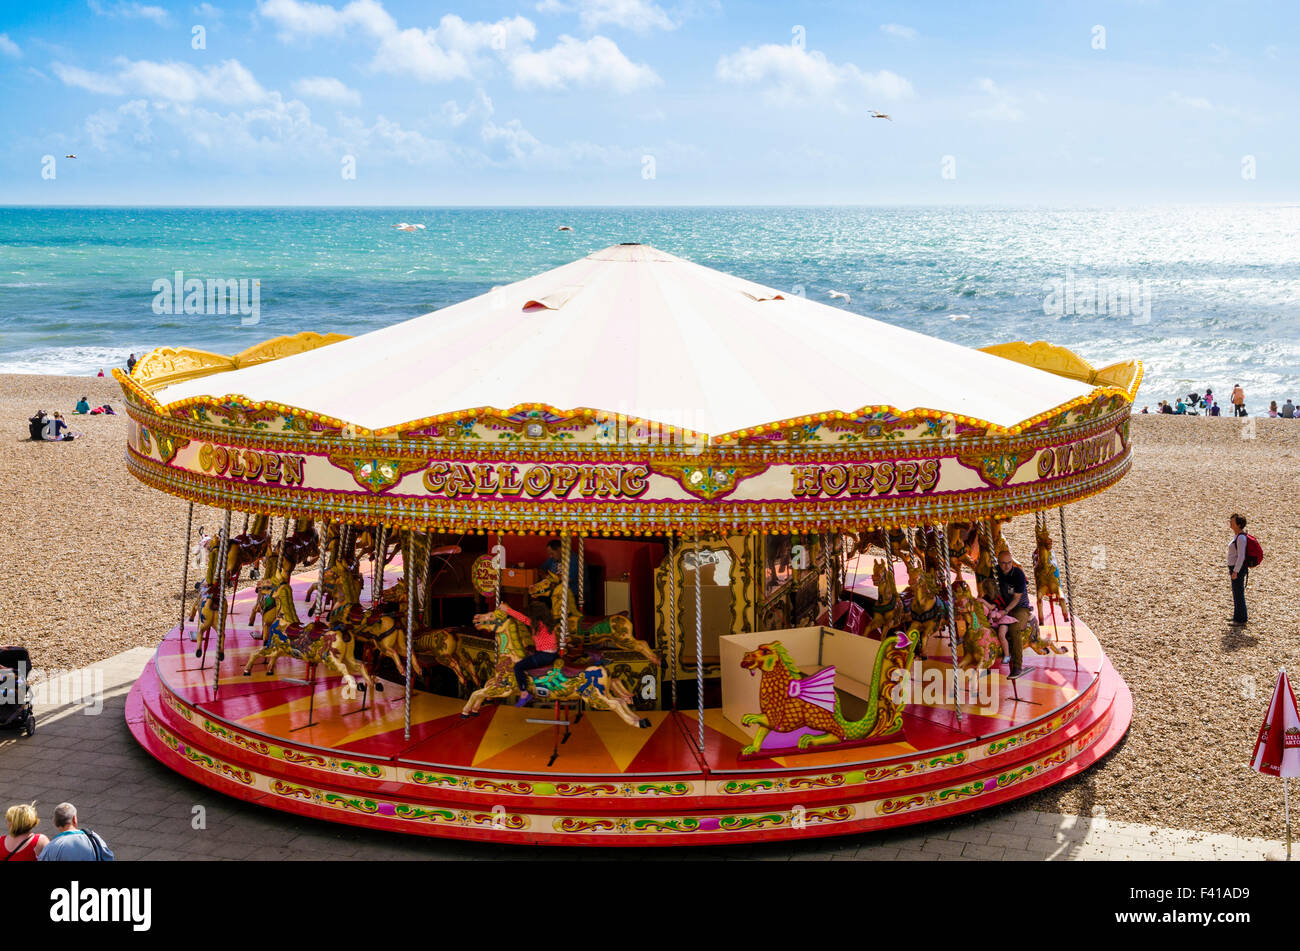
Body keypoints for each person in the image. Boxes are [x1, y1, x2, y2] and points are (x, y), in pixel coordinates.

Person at [506, 601, 559, 707]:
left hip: (545, 655)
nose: (528, 616)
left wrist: (507, 610)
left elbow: (522, 618)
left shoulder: (539, 624)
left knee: (518, 667)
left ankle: (524, 693)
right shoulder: (547, 622)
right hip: (551, 653)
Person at [993, 548, 1032, 678]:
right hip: (1002, 605)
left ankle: (1017, 666)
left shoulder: (1018, 574)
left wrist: (1005, 611)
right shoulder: (995, 571)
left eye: (1009, 562)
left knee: (1014, 627)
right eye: (1003, 563)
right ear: (998, 563)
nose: (1007, 566)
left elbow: (1016, 598)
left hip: (1020, 607)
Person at [36, 802, 113, 861]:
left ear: (55, 823)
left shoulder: (50, 848)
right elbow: (109, 858)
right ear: (74, 819)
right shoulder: (93, 838)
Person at [1227, 514, 1250, 625]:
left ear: (1239, 524)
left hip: (1238, 569)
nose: (1230, 523)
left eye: (1233, 521)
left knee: (1238, 593)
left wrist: (1235, 571)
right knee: (1236, 593)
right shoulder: (1237, 536)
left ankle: (1241, 620)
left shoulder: (1241, 538)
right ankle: (1237, 617)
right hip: (1235, 568)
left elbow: (1241, 556)